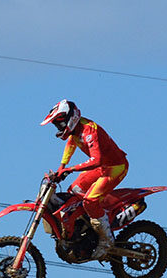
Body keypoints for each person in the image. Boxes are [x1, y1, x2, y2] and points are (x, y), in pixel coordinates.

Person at [40, 99, 129, 259]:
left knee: (90, 201)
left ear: (70, 118)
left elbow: (96, 160)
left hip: (115, 167)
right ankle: (86, 230)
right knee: (74, 191)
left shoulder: (89, 131)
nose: (58, 128)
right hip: (102, 168)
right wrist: (62, 167)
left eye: (59, 124)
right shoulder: (76, 130)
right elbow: (70, 145)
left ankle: (106, 240)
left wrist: (70, 169)